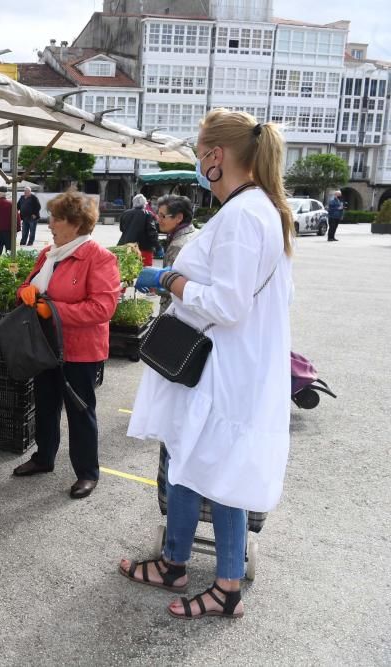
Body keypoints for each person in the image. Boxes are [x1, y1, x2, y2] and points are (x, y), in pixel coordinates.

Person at [119, 109, 295, 620]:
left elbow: (228, 303)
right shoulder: (261, 209)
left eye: (200, 154)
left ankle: (226, 589)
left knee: (222, 475)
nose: (199, 165)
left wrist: (169, 281)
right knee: (191, 460)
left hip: (223, 372)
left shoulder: (244, 215)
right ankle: (175, 561)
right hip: (228, 367)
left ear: (215, 157)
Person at [11, 191, 120, 499]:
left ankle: (87, 473)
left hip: (79, 352)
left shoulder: (99, 258)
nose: (50, 223)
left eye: (57, 218)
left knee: (80, 411)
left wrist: (53, 310)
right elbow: (29, 284)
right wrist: (25, 293)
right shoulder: (49, 253)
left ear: (76, 224)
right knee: (45, 406)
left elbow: (103, 309)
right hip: (45, 346)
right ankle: (44, 458)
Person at [154, 194, 196, 314]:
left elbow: (172, 287)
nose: (158, 219)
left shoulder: (177, 245)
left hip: (174, 311)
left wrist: (155, 282)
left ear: (178, 218)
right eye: (158, 215)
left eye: (163, 216)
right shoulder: (195, 233)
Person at [118, 194, 158, 266]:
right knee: (144, 271)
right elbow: (152, 233)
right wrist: (157, 246)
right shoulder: (148, 214)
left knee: (128, 271)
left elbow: (122, 229)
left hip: (126, 246)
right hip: (144, 248)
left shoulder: (125, 213)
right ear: (144, 204)